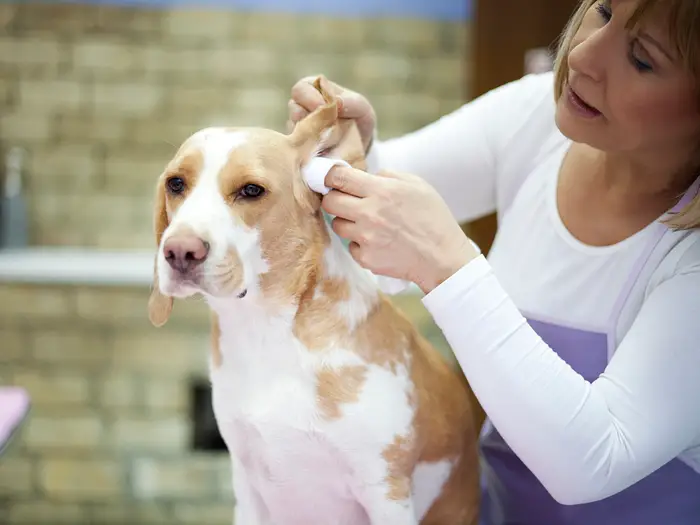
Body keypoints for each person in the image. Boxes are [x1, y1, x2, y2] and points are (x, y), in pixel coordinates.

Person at [287, 0, 700, 523]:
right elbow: (376, 202)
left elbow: (591, 461)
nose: (584, 55)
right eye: (602, 11)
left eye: (641, 58)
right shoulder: (535, 118)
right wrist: (354, 154)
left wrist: (448, 266)